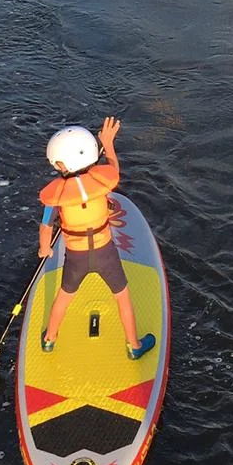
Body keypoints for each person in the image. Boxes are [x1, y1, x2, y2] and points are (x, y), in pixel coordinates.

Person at [37, 116, 155, 361]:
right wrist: (108, 143)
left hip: (76, 258)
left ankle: (49, 339)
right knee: (122, 297)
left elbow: (46, 225)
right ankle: (133, 345)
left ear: (60, 164)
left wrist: (45, 249)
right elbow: (113, 170)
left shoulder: (57, 196)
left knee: (64, 296)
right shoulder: (101, 183)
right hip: (106, 254)